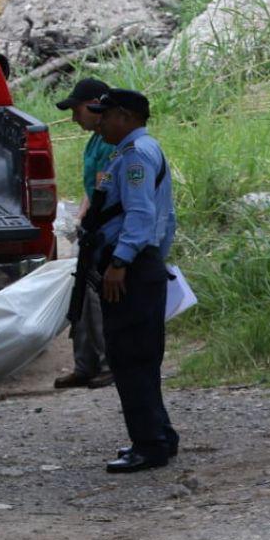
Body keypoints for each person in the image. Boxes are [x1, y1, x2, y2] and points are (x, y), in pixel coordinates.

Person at [84, 89, 179, 473]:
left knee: (130, 358)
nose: (100, 122)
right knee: (142, 357)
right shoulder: (135, 151)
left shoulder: (136, 155)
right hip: (142, 263)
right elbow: (165, 218)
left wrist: (121, 261)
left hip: (130, 268)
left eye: (105, 115)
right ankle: (160, 434)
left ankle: (149, 445)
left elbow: (140, 214)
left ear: (124, 116)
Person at [52, 77, 115, 391]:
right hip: (92, 228)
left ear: (94, 106)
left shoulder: (111, 141)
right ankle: (84, 365)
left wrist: (89, 222)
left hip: (106, 231)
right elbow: (93, 187)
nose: (74, 118)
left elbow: (106, 189)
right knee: (83, 298)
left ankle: (107, 364)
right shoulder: (94, 141)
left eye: (77, 111)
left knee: (97, 300)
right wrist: (79, 218)